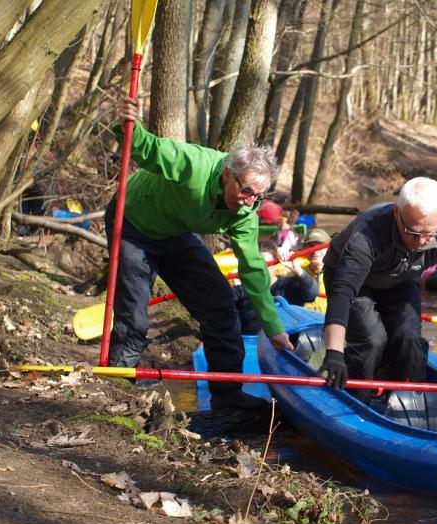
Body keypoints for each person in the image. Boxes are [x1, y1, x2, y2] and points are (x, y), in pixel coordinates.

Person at [106, 95, 293, 410]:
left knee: (221, 306)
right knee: (134, 313)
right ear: (226, 174)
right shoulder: (193, 163)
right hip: (134, 224)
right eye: (245, 190)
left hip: (176, 234)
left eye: (259, 196)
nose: (249, 201)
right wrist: (128, 123)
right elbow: (146, 148)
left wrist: (273, 328)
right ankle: (117, 385)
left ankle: (227, 392)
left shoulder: (247, 212)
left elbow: (253, 271)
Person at [316, 177, 437, 397]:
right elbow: (343, 293)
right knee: (371, 338)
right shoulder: (369, 231)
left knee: (409, 339)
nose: (421, 241)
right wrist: (334, 354)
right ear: (397, 214)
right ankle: (358, 396)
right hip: (354, 282)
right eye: (413, 232)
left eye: (429, 234)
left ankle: (404, 401)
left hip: (402, 278)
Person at [234, 240, 319, 333]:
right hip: (249, 343)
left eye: (266, 263)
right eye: (256, 264)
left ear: (275, 264)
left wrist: (298, 270)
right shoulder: (243, 290)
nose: (261, 268)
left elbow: (312, 293)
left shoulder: (287, 285)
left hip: (285, 343)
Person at [300, 228, 331, 313]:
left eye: (320, 247)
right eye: (310, 247)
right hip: (305, 322)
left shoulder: (339, 273)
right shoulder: (296, 271)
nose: (315, 251)